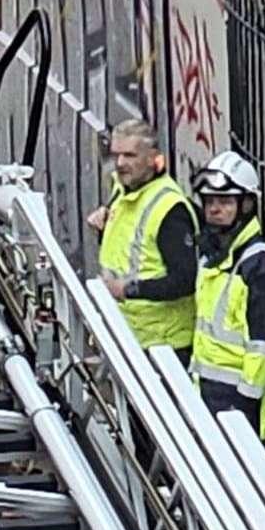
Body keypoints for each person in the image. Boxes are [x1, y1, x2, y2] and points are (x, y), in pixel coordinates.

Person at [188, 150, 265, 447]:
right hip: (212, 401)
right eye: (210, 201)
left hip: (249, 415)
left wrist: (244, 406)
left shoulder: (262, 265)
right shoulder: (214, 258)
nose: (214, 209)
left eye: (225, 202)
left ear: (247, 204)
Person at [85, 119, 197, 367]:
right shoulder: (123, 188)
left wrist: (127, 290)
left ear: (152, 158)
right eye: (116, 155)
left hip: (163, 348)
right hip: (126, 335)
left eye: (130, 155)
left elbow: (185, 280)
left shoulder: (170, 209)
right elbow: (128, 251)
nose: (121, 164)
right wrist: (103, 226)